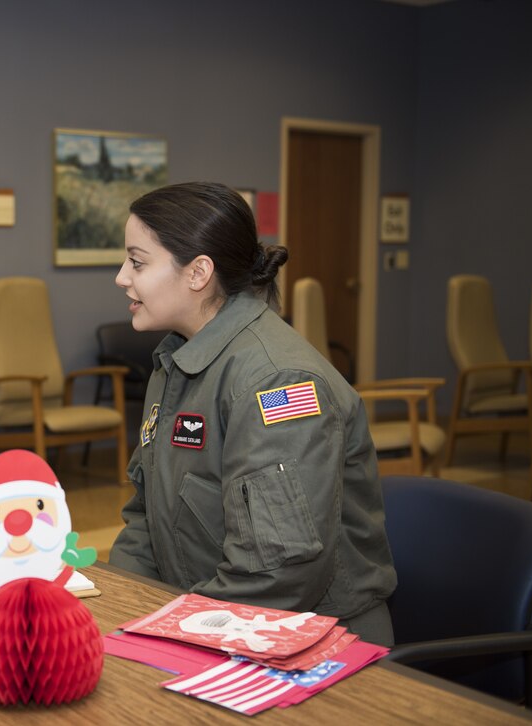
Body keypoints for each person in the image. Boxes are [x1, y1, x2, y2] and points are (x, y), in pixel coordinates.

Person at [108, 182, 396, 645]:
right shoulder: (176, 362)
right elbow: (145, 518)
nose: (122, 276)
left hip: (310, 641)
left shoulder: (279, 382)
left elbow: (278, 573)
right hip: (211, 618)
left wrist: (170, 630)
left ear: (199, 272)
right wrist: (122, 606)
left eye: (137, 262)